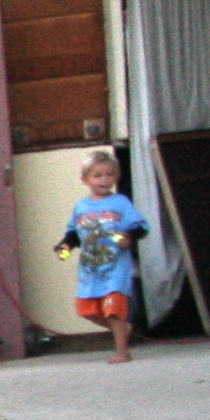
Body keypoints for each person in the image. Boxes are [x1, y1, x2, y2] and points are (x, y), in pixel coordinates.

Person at [56, 150, 152, 364]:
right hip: (90, 270)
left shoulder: (120, 203)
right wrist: (65, 248)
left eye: (109, 174)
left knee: (113, 311)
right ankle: (124, 329)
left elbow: (140, 226)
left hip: (116, 268)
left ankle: (122, 351)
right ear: (85, 179)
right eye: (97, 175)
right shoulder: (81, 207)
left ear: (116, 176)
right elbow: (74, 234)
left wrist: (129, 237)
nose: (104, 180)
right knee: (86, 310)